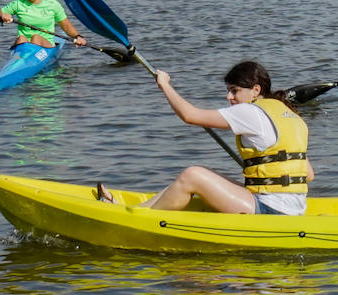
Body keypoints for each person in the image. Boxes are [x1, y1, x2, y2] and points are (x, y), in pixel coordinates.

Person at [97, 61, 314, 215]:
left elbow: (190, 116)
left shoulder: (250, 111)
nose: (229, 97)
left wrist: (165, 85)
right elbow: (308, 174)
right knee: (197, 179)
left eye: (234, 91)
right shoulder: (290, 115)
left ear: (255, 90)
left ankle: (135, 219)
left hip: (271, 211)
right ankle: (131, 210)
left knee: (193, 175)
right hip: (294, 208)